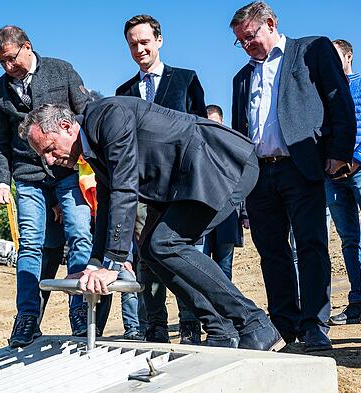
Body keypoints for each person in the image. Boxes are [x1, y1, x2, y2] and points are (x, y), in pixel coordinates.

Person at [19, 98, 285, 351]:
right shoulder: (91, 147)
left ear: (66, 127)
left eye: (50, 149)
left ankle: (255, 323)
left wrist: (114, 262)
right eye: (44, 156)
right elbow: (107, 203)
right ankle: (220, 328)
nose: (50, 161)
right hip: (187, 182)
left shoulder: (107, 116)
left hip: (222, 163)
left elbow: (125, 187)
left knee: (166, 243)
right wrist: (95, 263)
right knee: (150, 248)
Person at [229, 1, 355, 351]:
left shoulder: (310, 51)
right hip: (259, 174)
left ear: (270, 23)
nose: (246, 45)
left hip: (300, 166)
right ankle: (283, 323)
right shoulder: (242, 77)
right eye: (240, 41)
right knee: (271, 251)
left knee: (311, 244)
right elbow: (242, 130)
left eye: (250, 36)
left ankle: (315, 323)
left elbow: (338, 101)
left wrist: (339, 151)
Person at [0, 25, 93, 348]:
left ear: (27, 47)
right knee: (30, 243)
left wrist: (90, 169)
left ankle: (79, 311)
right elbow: (0, 141)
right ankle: (28, 317)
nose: (7, 67)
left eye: (10, 59)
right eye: (0, 62)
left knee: (79, 233)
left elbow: (85, 116)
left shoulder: (62, 71)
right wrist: (2, 181)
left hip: (67, 171)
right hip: (28, 176)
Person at [113, 14, 208, 345]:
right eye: (132, 44)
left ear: (159, 40)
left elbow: (201, 133)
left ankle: (190, 324)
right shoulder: (123, 92)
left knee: (185, 255)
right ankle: (154, 326)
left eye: (144, 41)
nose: (139, 49)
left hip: (182, 187)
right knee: (147, 259)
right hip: (144, 191)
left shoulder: (185, 80)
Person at [326, 39, 361, 325]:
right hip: (333, 177)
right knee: (349, 240)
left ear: (349, 56)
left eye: (337, 56)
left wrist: (358, 158)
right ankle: (360, 301)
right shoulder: (325, 94)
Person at [202, 105, 249, 281]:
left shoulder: (234, 146)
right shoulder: (198, 146)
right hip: (202, 218)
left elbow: (243, 181)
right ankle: (207, 309)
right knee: (202, 266)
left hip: (228, 216)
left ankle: (224, 308)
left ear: (222, 122)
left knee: (224, 268)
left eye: (215, 122)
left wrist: (244, 213)